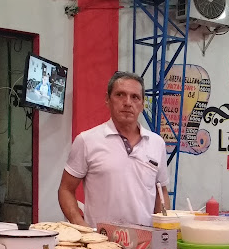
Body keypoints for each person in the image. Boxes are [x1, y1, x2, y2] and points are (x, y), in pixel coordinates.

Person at [58, 71, 169, 228]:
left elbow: (161, 193)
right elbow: (65, 189)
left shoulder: (157, 143)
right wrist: (81, 227)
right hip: (100, 245)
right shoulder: (87, 141)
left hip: (145, 245)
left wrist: (162, 232)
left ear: (142, 104)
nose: (128, 102)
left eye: (135, 97)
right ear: (107, 99)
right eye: (120, 95)